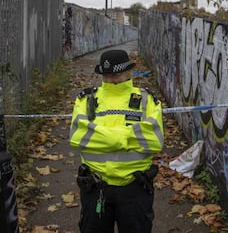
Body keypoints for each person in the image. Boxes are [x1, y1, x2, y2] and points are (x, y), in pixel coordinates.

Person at [69, 49, 164, 233]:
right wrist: (129, 136)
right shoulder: (87, 99)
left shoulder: (147, 100)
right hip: (96, 187)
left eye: (116, 75)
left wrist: (102, 136)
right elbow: (78, 137)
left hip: (134, 187)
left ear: (129, 73)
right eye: (107, 76)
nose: (112, 80)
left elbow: (154, 140)